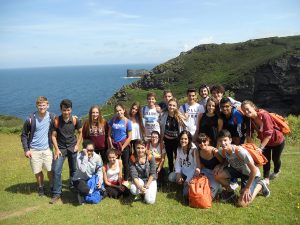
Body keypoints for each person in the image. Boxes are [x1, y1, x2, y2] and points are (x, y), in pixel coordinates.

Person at [214, 129, 270, 207]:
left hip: (250, 174)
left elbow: (253, 170)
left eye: (225, 140)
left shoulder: (240, 152)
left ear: (230, 140)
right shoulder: (222, 151)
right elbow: (226, 160)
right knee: (217, 175)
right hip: (238, 171)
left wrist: (247, 188)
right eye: (220, 141)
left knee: (242, 204)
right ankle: (230, 192)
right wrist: (220, 166)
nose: (223, 143)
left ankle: (261, 184)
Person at [241, 100, 285, 184]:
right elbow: (249, 135)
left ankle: (276, 171)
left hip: (277, 141)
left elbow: (269, 133)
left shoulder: (264, 115)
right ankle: (266, 178)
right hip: (266, 143)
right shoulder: (250, 120)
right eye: (244, 110)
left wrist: (260, 148)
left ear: (253, 107)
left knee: (276, 159)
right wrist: (251, 148)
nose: (246, 112)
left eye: (247, 109)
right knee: (266, 160)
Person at [21, 96, 55, 196]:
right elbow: (23, 134)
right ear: (37, 106)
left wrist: (73, 117)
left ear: (48, 105)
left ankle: (52, 186)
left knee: (50, 170)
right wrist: (26, 150)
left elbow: (60, 124)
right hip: (34, 150)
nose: (42, 107)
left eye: (44, 105)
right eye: (40, 105)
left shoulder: (52, 117)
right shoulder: (30, 119)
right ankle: (41, 187)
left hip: (47, 149)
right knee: (38, 171)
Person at [50, 99, 83, 204]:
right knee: (56, 170)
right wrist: (56, 149)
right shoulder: (56, 121)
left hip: (72, 147)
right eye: (64, 110)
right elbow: (53, 136)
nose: (66, 112)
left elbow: (81, 132)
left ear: (71, 109)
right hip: (60, 148)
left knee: (73, 169)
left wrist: (77, 145)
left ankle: (73, 187)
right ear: (61, 109)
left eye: (68, 110)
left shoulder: (75, 120)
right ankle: (57, 193)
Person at [160, 98, 193, 173]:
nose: (171, 107)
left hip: (176, 140)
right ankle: (171, 170)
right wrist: (161, 140)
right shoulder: (164, 114)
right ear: (167, 105)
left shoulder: (179, 115)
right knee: (169, 156)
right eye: (170, 105)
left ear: (177, 107)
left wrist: (186, 118)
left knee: (177, 156)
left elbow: (186, 125)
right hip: (167, 140)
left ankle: (180, 171)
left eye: (174, 105)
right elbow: (161, 127)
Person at [168, 130, 201, 203]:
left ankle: (185, 184)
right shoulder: (179, 148)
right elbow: (177, 162)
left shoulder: (193, 150)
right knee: (171, 177)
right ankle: (182, 182)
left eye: (185, 139)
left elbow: (197, 166)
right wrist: (178, 174)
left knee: (185, 194)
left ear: (189, 139)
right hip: (183, 171)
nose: (183, 141)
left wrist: (191, 179)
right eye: (182, 139)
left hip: (191, 174)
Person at [72, 140, 103, 205]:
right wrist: (85, 156)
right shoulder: (79, 157)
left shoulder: (97, 157)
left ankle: (85, 194)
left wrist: (100, 182)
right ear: (84, 149)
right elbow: (83, 169)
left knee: (101, 188)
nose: (89, 152)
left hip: (90, 179)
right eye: (88, 150)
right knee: (86, 189)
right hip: (79, 179)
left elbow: (99, 171)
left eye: (91, 150)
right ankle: (82, 193)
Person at [108, 103, 132, 183]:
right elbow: (109, 135)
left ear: (124, 110)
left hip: (124, 145)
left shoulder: (127, 122)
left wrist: (123, 147)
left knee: (126, 164)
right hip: (114, 145)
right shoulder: (113, 120)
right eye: (117, 111)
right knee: (115, 163)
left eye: (120, 110)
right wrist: (111, 146)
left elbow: (130, 137)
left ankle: (125, 180)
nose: (119, 112)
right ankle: (116, 179)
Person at [130, 140, 157, 204]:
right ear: (135, 148)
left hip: (150, 180)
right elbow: (134, 175)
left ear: (145, 148)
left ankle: (144, 194)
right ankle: (140, 193)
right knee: (133, 189)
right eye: (138, 148)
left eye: (142, 148)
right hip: (140, 180)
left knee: (150, 201)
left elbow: (153, 173)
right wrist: (140, 187)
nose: (140, 150)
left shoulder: (150, 156)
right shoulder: (132, 158)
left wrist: (147, 185)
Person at [196, 133, 222, 199]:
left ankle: (219, 187)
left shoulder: (214, 151)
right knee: (198, 189)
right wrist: (197, 173)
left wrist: (218, 166)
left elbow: (224, 162)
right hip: (205, 171)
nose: (202, 144)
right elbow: (199, 166)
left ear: (208, 141)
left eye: (204, 141)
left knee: (209, 196)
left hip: (215, 173)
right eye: (199, 142)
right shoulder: (198, 151)